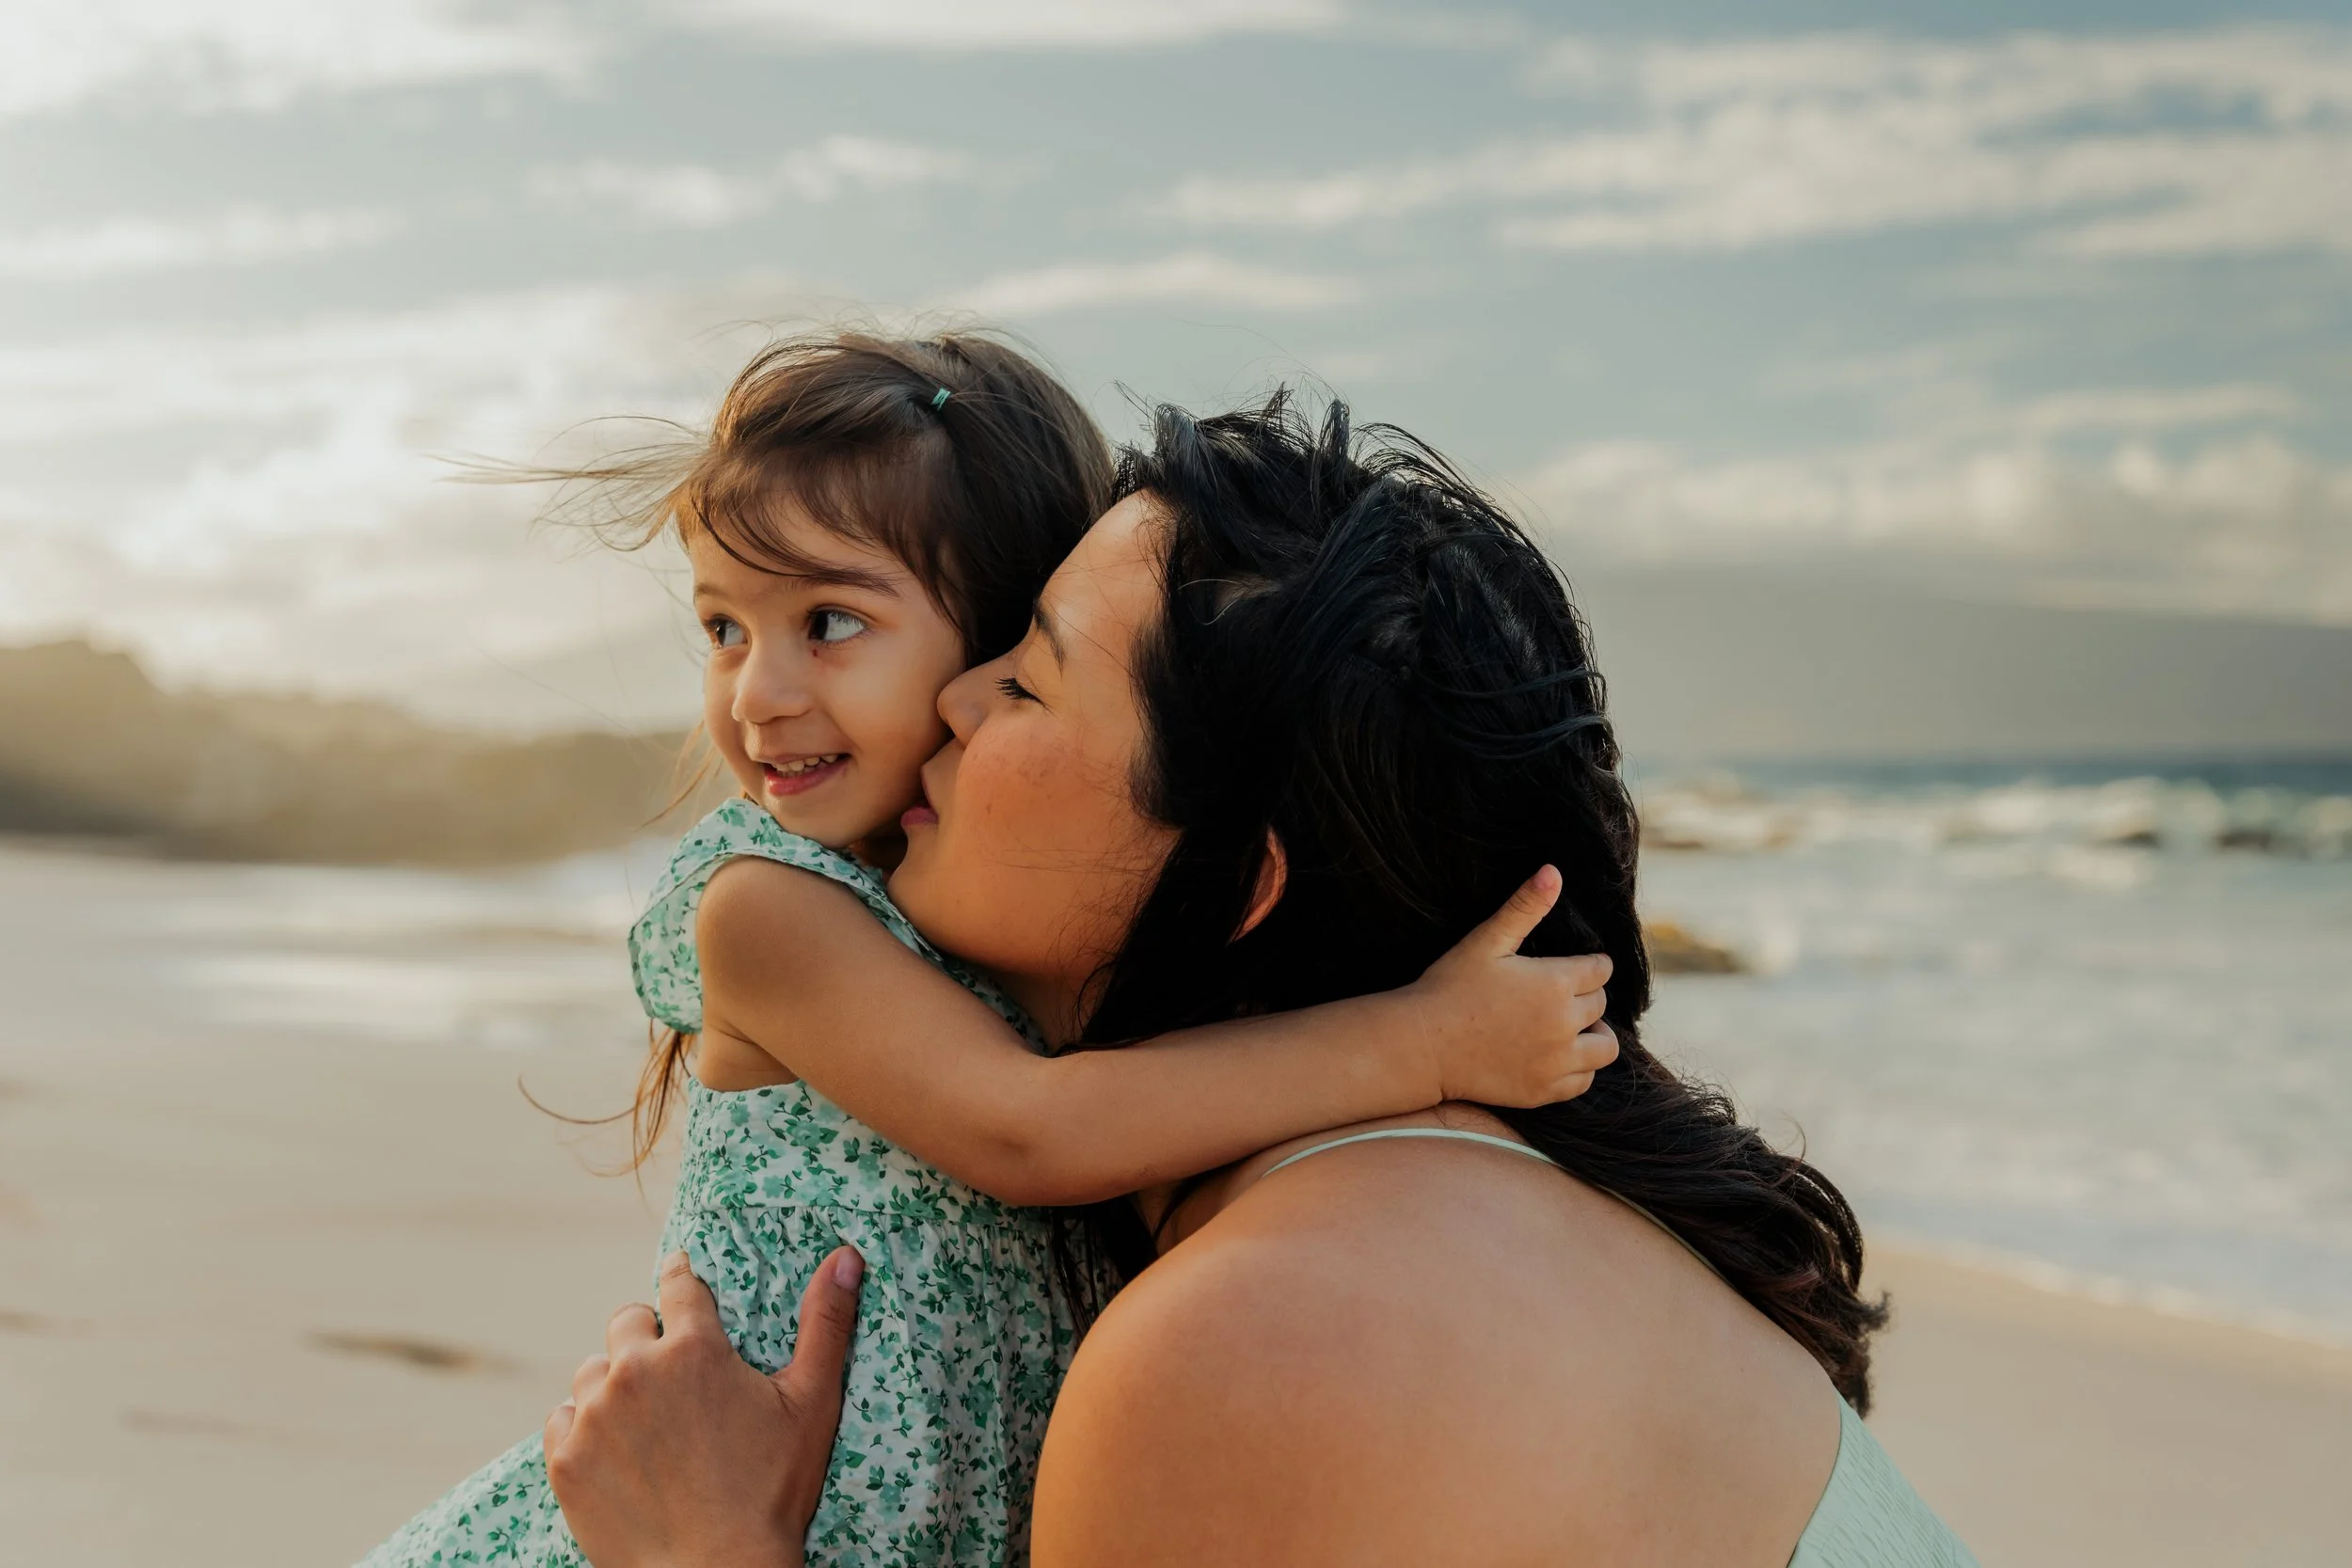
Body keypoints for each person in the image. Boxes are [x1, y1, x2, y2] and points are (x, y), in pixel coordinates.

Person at [543, 393, 1979, 1566]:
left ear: (1240, 883)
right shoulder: (1497, 1199)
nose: (955, 702)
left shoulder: (1247, 1340)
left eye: (1026, 679)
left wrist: (709, 1551)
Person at [359, 342, 1620, 1568]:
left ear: (985, 635)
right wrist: (1426, 1037)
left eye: (830, 621)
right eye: (724, 629)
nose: (758, 693)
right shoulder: (765, 907)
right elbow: (1030, 1130)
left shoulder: (993, 925)